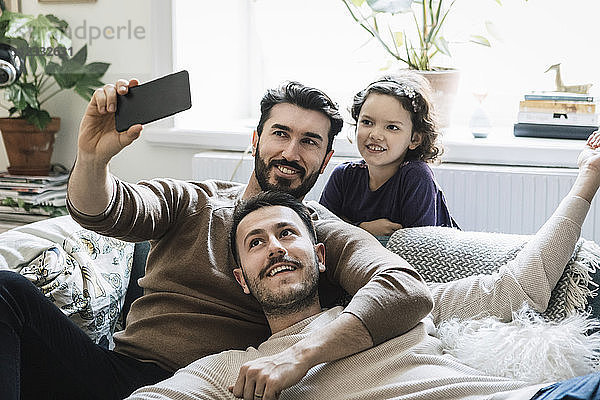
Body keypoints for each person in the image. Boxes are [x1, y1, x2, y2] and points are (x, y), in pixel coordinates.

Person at [0, 79, 433, 399]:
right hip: (116, 374)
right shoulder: (193, 199)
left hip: (211, 387)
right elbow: (102, 208)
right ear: (255, 140)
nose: (290, 152)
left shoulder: (315, 232)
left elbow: (405, 287)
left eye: (309, 142)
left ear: (326, 160)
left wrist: (297, 356)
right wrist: (93, 159)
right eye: (280, 133)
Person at [128, 133, 600, 399]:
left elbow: (523, 285)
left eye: (288, 233)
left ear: (320, 255)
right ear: (242, 282)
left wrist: (587, 180)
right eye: (256, 242)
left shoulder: (395, 309)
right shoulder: (240, 367)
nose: (274, 247)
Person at [319, 72, 459, 237]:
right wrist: (362, 229)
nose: (375, 135)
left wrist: (345, 226)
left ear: (415, 139)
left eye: (392, 127)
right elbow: (320, 230)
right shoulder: (343, 175)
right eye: (367, 122)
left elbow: (418, 248)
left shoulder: (416, 176)